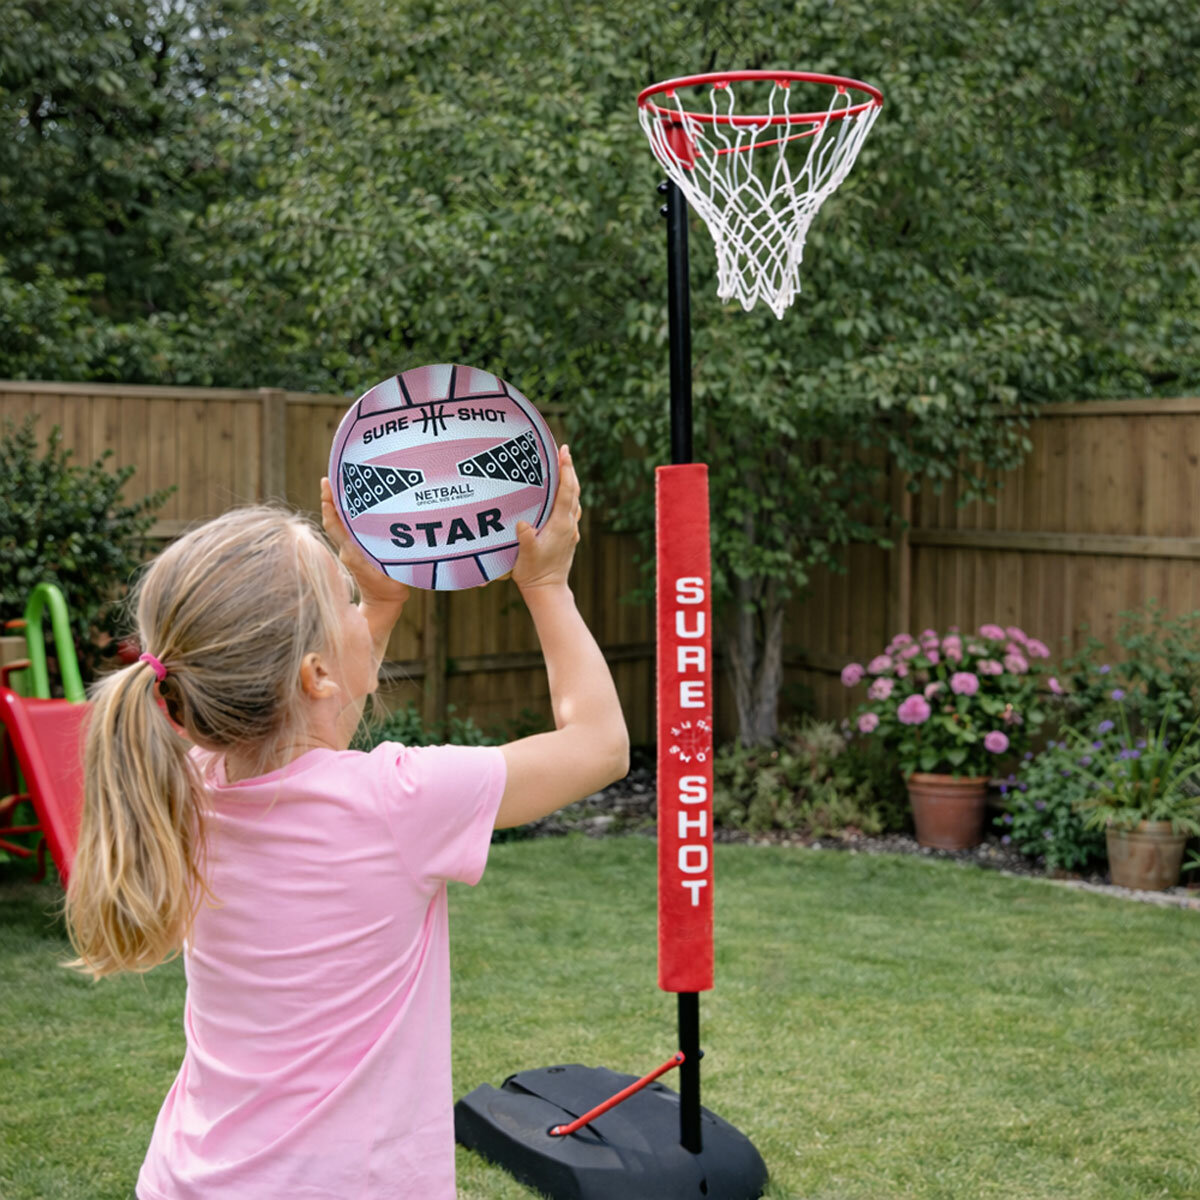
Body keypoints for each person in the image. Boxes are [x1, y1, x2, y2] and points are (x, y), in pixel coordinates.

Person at [64, 444, 629, 1200]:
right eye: (345, 598)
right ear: (317, 672)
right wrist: (548, 582)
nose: (361, 607)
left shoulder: (192, 786)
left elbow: (308, 728)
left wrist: (381, 606)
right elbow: (600, 746)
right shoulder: (401, 800)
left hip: (193, 1179)